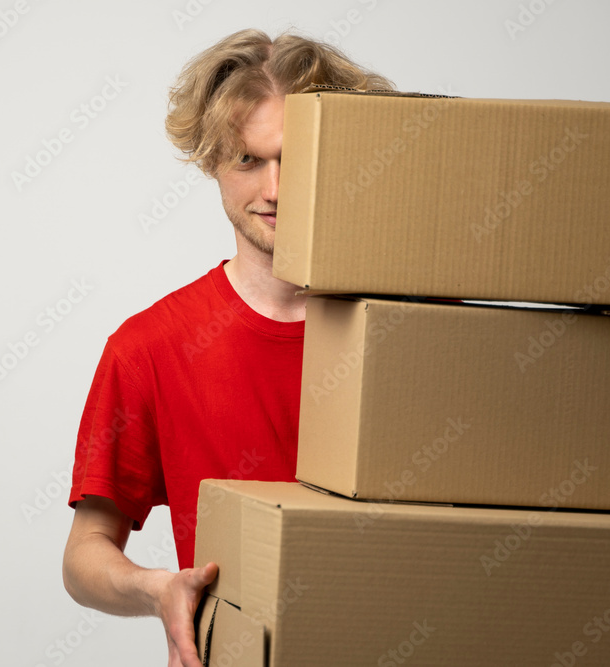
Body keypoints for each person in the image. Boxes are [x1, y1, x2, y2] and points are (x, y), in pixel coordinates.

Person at [62, 28, 392, 667]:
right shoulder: (149, 348)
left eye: (296, 160)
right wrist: (157, 588)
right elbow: (85, 554)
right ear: (213, 162)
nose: (274, 190)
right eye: (248, 160)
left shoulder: (416, 332)